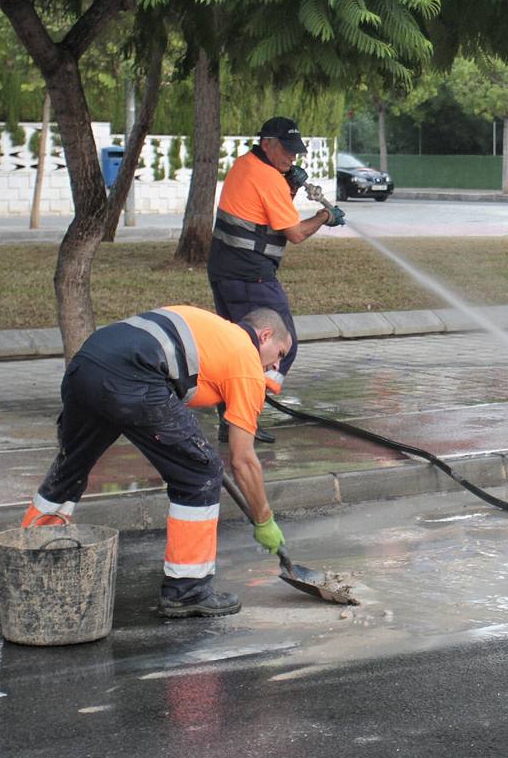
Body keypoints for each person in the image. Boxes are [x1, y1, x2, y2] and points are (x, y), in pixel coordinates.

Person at [21, 306, 293, 618]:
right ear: (265, 335)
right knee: (200, 472)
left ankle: (29, 564)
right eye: (280, 353)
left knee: (71, 467)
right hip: (133, 376)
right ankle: (188, 590)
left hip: (86, 365)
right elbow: (243, 459)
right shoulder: (245, 358)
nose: (276, 364)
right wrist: (264, 520)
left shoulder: (215, 331)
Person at [207, 116, 344, 443]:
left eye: (295, 153)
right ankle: (245, 417)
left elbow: (263, 212)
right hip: (250, 277)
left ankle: (231, 421)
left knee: (237, 346)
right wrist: (324, 216)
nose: (292, 158)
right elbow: (295, 233)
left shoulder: (245, 165)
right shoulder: (267, 177)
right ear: (267, 143)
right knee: (280, 344)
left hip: (224, 271)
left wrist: (291, 185)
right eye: (286, 150)